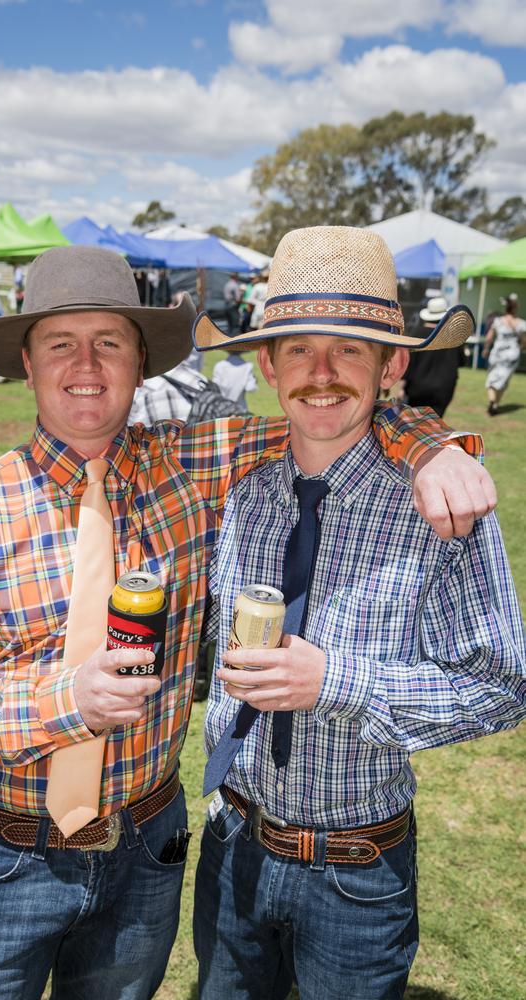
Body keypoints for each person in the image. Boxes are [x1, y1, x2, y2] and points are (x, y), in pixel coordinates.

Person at [0, 245, 494, 1000]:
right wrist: (60, 704)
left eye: (109, 342)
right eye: (60, 344)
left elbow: (330, 412)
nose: (86, 364)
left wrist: (437, 446)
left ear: (140, 363)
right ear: (26, 361)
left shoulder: (190, 464)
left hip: (146, 852)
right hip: (7, 858)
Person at [192, 226, 525, 1000]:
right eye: (299, 349)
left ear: (394, 363)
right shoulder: (236, 483)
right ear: (266, 364)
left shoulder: (442, 505)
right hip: (231, 843)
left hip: (354, 873)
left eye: (349, 349)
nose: (321, 374)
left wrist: (335, 681)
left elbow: (504, 685)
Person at [402, 296, 465, 416]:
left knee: (415, 425)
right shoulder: (453, 335)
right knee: (436, 424)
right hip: (444, 389)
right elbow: (462, 361)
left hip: (417, 388)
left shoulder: (417, 333)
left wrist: (402, 387)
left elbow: (408, 364)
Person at [482, 292, 526, 415]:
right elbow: (524, 341)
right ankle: (495, 404)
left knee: (492, 378)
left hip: (497, 353)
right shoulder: (521, 323)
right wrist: (522, 348)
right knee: (503, 380)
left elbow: (489, 337)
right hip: (512, 354)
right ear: (515, 308)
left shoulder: (498, 321)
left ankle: (492, 400)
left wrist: (486, 349)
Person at [223, 272, 242, 336]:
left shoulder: (227, 284)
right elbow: (238, 298)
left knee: (229, 324)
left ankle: (228, 338)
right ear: (236, 277)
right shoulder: (235, 285)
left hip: (226, 304)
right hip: (233, 305)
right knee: (235, 324)